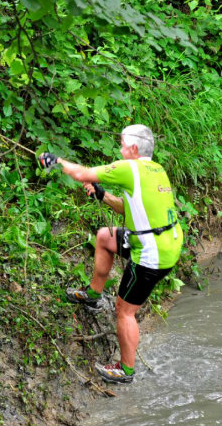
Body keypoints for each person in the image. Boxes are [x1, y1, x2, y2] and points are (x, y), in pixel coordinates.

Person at [39, 124, 183, 384]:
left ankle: (125, 370)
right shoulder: (155, 170)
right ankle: (93, 294)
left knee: (124, 310)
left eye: (123, 144)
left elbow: (82, 173)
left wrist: (56, 160)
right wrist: (102, 195)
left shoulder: (130, 168)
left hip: (152, 253)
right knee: (105, 237)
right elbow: (129, 210)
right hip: (162, 242)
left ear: (134, 148)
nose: (119, 148)